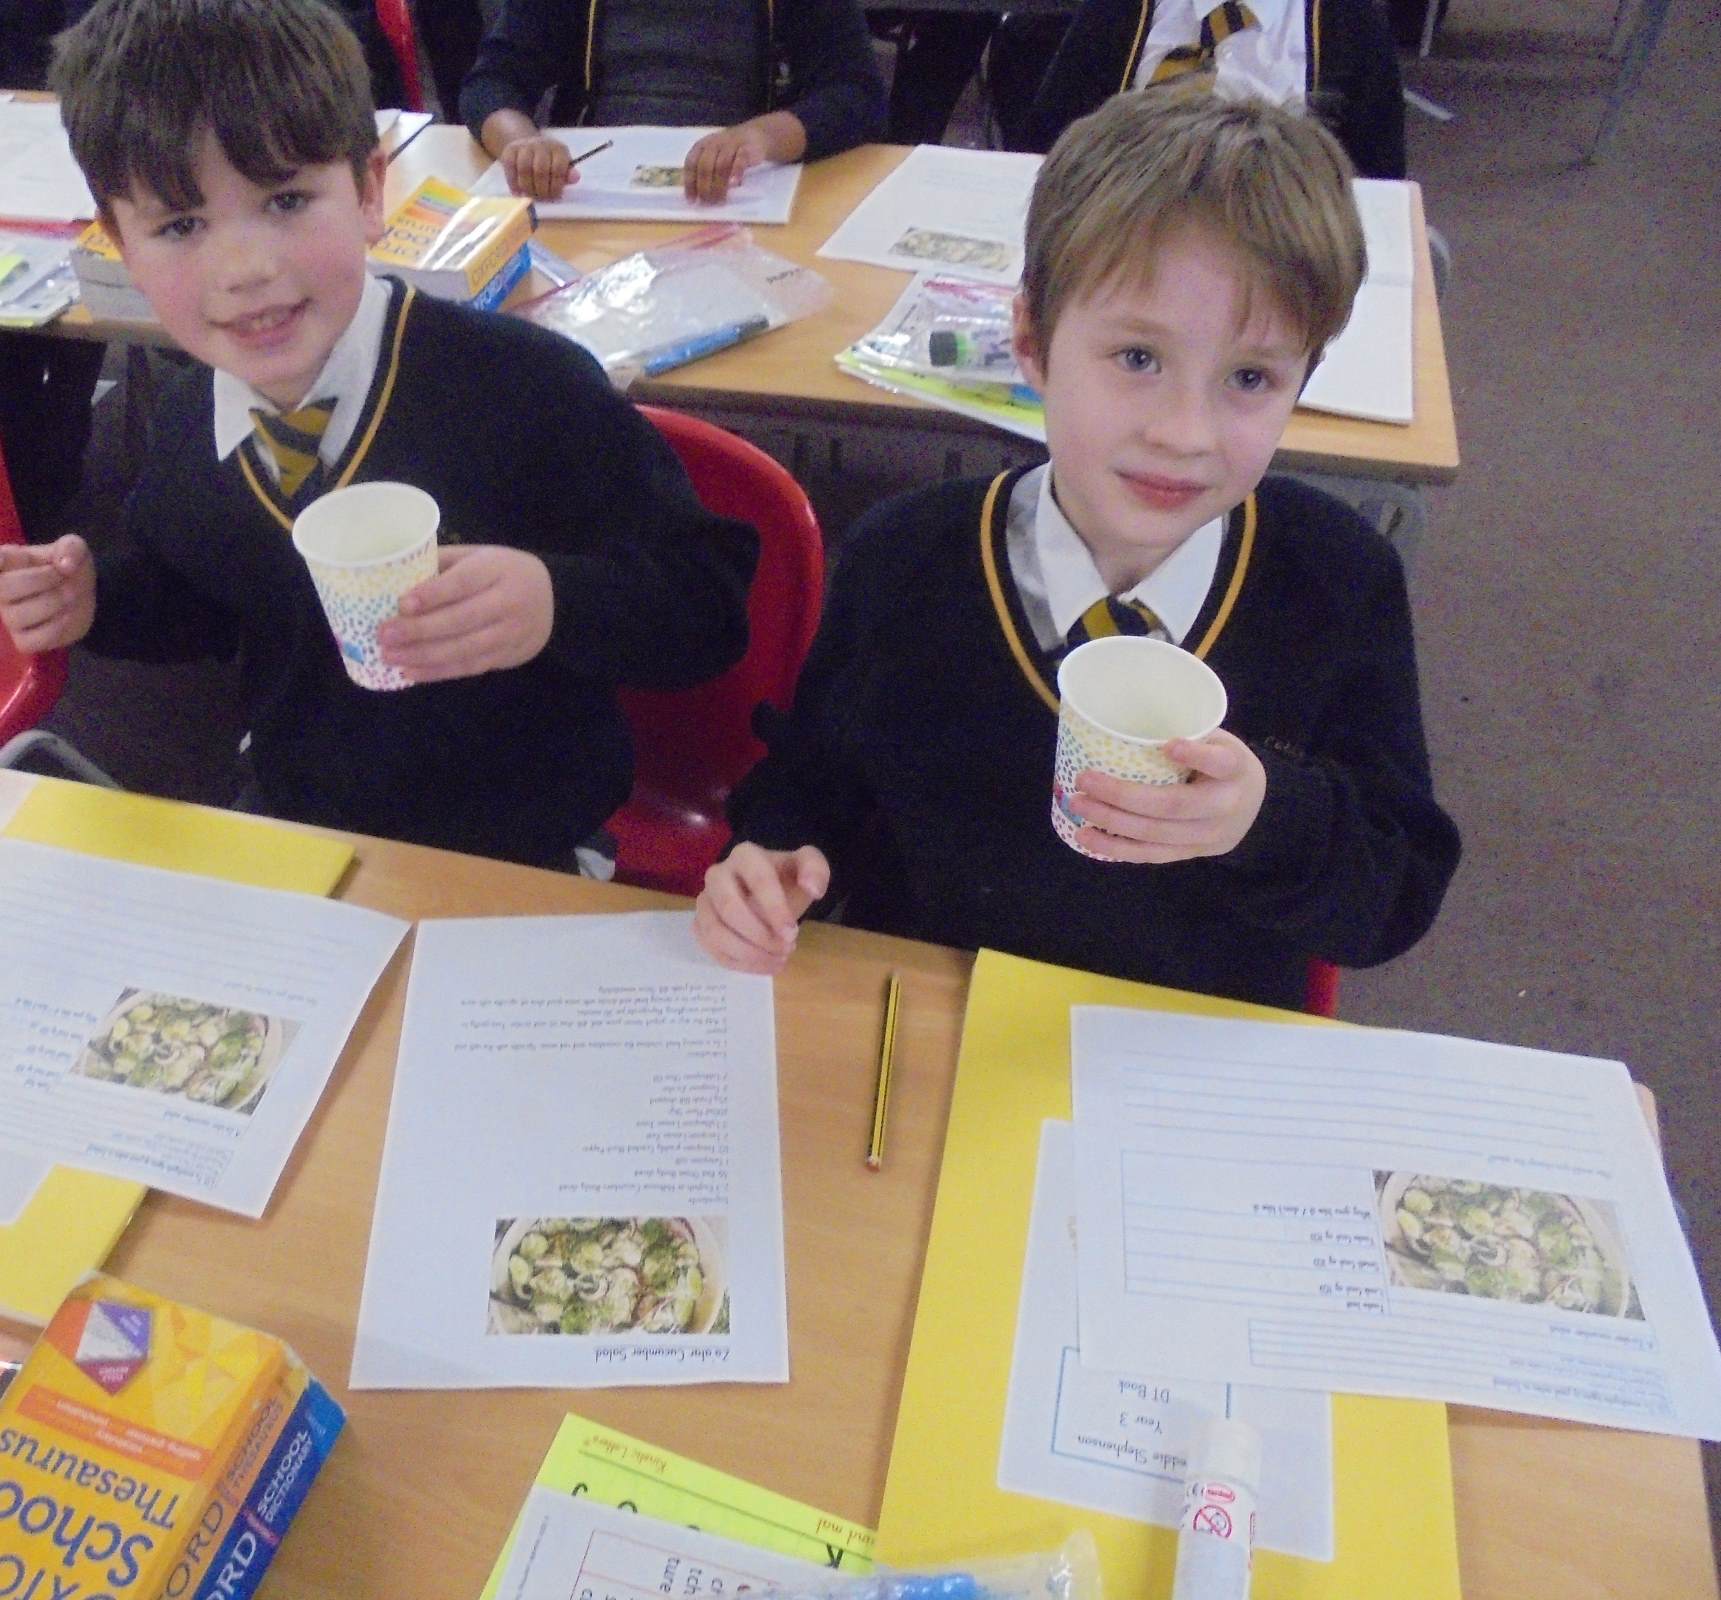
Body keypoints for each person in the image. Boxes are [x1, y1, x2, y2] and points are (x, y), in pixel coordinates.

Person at [693, 91, 1459, 1009]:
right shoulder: (904, 560)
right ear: (1031, 342)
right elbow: (813, 783)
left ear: (1303, 380)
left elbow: (1395, 893)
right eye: (1137, 359)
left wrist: (1264, 818)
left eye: (1250, 377)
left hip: (1191, 1038)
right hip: (937, 1016)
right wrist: (772, 861)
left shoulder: (1336, 580)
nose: (1183, 433)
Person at [0, 0, 757, 870]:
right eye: (179, 225)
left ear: (368, 191)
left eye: (286, 200)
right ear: (120, 245)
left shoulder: (524, 388)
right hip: (305, 816)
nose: (244, 271)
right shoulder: (185, 427)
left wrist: (555, 601)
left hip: (524, 837)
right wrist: (97, 602)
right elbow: (206, 593)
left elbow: (705, 603)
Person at [459, 0, 886, 204]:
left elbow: (856, 92)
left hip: (744, 196)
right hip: (591, 193)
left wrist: (762, 137)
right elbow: (494, 79)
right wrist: (522, 145)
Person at [1020, 0, 1406, 179]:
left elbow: (1379, 187)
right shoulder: (1120, 10)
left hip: (1273, 247)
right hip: (1120, 228)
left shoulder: (1350, 23)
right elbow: (1046, 147)